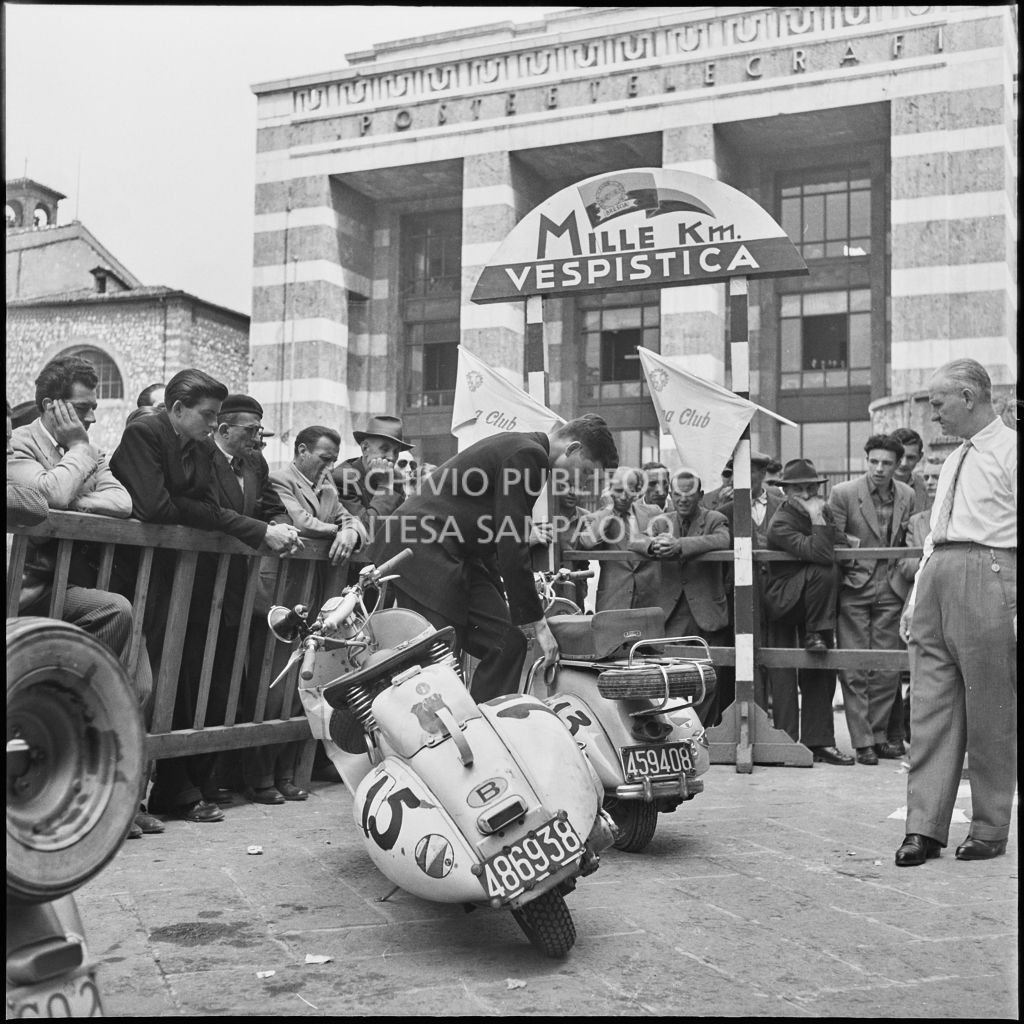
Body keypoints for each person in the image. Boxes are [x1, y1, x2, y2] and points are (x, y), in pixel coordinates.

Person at [110, 369, 301, 823]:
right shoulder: (146, 431)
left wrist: (199, 513)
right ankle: (135, 799)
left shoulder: (196, 445)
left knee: (184, 688)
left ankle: (170, 793)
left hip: (183, 584)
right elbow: (157, 508)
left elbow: (201, 506)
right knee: (147, 686)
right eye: (209, 415)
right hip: (135, 579)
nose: (213, 424)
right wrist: (202, 514)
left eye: (217, 416)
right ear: (177, 409)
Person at [7, 361, 160, 838]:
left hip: (68, 588)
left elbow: (121, 503)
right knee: (113, 614)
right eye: (82, 408)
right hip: (27, 594)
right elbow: (43, 495)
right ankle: (78, 796)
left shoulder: (88, 450)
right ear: (53, 404)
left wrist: (67, 496)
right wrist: (73, 458)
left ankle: (125, 803)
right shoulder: (21, 442)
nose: (91, 419)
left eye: (95, 408)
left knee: (139, 684)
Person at [367, 415, 618, 702]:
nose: (583, 483)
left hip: (452, 553)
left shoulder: (526, 451)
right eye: (586, 472)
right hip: (421, 548)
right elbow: (511, 543)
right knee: (438, 659)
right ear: (572, 449)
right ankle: (436, 738)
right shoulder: (529, 454)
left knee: (507, 644)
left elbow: (496, 537)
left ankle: (484, 730)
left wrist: (514, 610)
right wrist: (538, 625)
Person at [895, 359, 1016, 867]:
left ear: (968, 397)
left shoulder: (1011, 451)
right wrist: (915, 595)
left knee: (990, 711)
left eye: (939, 403)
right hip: (937, 579)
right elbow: (933, 537)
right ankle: (924, 827)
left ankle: (989, 828)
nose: (933, 414)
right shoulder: (951, 461)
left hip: (988, 573)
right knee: (928, 708)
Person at [201, 394, 303, 806]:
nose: (258, 438)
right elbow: (208, 511)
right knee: (203, 683)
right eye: (250, 430)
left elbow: (271, 507)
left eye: (260, 430)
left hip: (241, 589)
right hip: (203, 589)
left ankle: (231, 778)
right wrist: (261, 532)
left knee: (234, 684)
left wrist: (280, 526)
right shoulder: (204, 458)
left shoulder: (255, 465)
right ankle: (201, 785)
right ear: (224, 430)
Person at [258, 425, 368, 796]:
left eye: (334, 461)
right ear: (301, 450)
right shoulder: (279, 479)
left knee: (302, 684)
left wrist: (350, 530)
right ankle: (260, 776)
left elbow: (350, 520)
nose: (329, 467)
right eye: (324, 458)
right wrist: (338, 531)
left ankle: (288, 774)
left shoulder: (326, 487)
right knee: (272, 681)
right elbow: (299, 522)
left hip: (314, 592)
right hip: (283, 593)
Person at [827, 434, 915, 765]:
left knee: (886, 669)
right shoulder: (843, 493)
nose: (879, 469)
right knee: (854, 666)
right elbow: (833, 541)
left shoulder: (907, 494)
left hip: (892, 587)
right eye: (874, 461)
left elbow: (913, 538)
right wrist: (856, 561)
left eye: (887, 463)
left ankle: (878, 736)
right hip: (854, 586)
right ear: (866, 460)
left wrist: (905, 570)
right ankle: (862, 740)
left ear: (898, 465)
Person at [763, 458, 854, 766]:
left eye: (811, 488)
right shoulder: (782, 521)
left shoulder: (823, 512)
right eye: (798, 489)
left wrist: (822, 522)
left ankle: (820, 742)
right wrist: (818, 519)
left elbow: (841, 542)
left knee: (821, 668)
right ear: (786, 491)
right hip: (786, 599)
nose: (806, 494)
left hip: (817, 603)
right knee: (784, 670)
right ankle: (786, 741)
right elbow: (823, 554)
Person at [639, 468, 730, 724]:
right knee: (672, 678)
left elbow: (723, 540)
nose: (683, 499)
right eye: (677, 494)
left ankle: (703, 733)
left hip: (707, 614)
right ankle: (678, 733)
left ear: (700, 494)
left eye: (689, 494)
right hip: (671, 615)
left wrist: (680, 546)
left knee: (707, 678)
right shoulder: (661, 521)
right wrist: (652, 546)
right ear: (671, 494)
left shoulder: (715, 518)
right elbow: (635, 541)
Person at [717, 451, 787, 727]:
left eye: (750, 471)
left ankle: (781, 727)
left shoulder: (782, 505)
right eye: (737, 472)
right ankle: (753, 724)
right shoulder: (725, 510)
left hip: (779, 590)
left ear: (762, 474)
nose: (742, 478)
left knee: (777, 656)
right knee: (746, 656)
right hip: (742, 592)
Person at [334, 414, 413, 581]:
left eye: (396, 452)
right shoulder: (343, 477)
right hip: (349, 579)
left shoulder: (395, 478)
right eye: (384, 449)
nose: (391, 457)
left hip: (384, 576)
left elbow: (402, 526)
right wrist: (385, 487)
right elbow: (365, 532)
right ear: (364, 448)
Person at [574, 466, 662, 613]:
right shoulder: (598, 518)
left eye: (627, 491)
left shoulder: (653, 513)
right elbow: (587, 542)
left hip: (649, 601)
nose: (622, 497)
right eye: (618, 490)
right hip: (613, 601)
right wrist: (609, 509)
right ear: (610, 490)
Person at [891, 426, 932, 514]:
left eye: (911, 457)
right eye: (900, 456)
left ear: (920, 457)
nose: (904, 463)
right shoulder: (870, 486)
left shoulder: (925, 487)